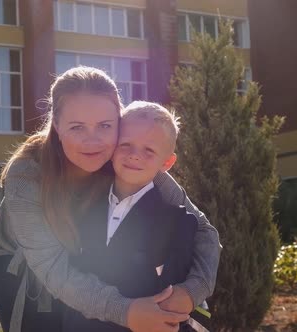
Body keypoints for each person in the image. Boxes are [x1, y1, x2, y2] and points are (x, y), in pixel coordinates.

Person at [0, 66, 221, 332]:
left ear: (119, 125)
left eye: (105, 126)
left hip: (80, 257)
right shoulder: (26, 174)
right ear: (56, 124)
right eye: (77, 127)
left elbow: (203, 229)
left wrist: (193, 291)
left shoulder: (124, 157)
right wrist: (127, 312)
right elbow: (52, 268)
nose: (93, 141)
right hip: (26, 269)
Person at [62, 101, 211, 332]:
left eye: (149, 150)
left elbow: (170, 307)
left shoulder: (179, 224)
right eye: (126, 144)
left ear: (167, 163)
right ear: (112, 148)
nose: (134, 155)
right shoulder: (82, 204)